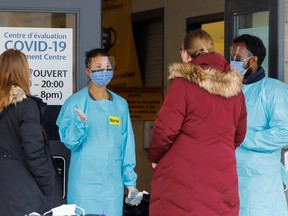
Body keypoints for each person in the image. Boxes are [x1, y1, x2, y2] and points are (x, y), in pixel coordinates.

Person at [148, 29, 247, 216]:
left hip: (184, 176)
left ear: (185, 53)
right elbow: (240, 133)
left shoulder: (183, 84)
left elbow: (165, 130)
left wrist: (155, 156)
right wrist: (219, 149)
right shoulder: (236, 90)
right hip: (223, 174)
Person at [56, 48, 140, 215]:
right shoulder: (75, 102)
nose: (105, 71)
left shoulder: (120, 104)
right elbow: (69, 141)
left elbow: (127, 145)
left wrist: (130, 182)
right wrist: (79, 124)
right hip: (83, 186)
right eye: (99, 67)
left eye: (108, 67)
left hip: (111, 187)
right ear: (88, 71)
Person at [230, 34, 288, 216]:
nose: (232, 62)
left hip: (260, 183)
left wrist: (242, 138)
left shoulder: (274, 90)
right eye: (231, 57)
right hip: (229, 177)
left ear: (253, 60)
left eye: (237, 59)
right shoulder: (229, 91)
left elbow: (284, 132)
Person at [0, 49, 63, 215]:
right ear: (22, 71)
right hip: (20, 193)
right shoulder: (25, 106)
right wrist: (50, 192)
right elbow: (34, 153)